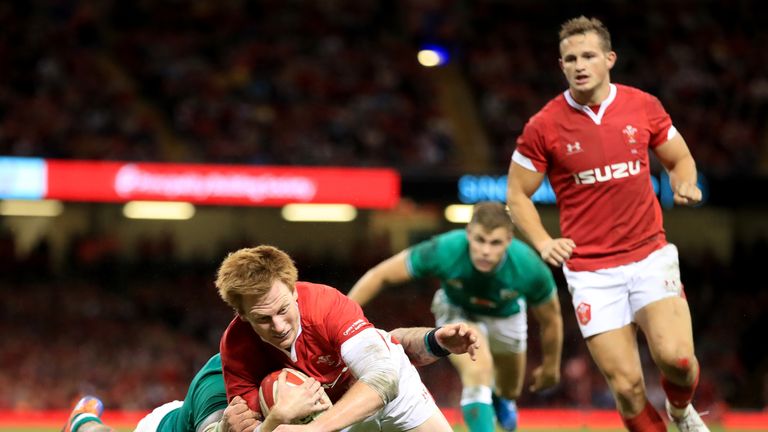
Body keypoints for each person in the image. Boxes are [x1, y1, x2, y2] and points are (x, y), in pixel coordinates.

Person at [505, 15, 707, 432]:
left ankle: (682, 412)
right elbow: (516, 195)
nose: (579, 64)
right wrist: (543, 242)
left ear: (609, 59)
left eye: (588, 56)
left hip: (649, 255)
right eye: (570, 58)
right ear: (560, 66)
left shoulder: (642, 105)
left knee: (680, 363)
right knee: (628, 387)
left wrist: (683, 181)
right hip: (592, 273)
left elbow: (679, 159)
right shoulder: (543, 126)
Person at [347, 201, 563, 432]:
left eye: (495, 243)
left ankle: (501, 398)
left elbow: (551, 319)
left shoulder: (529, 266)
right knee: (478, 371)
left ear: (509, 241)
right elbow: (380, 275)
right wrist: (345, 320)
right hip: (458, 311)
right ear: (468, 233)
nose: (486, 251)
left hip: (507, 316)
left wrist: (551, 366)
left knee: (510, 388)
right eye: (480, 240)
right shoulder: (444, 249)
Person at [215, 245, 469, 432]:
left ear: (293, 291)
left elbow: (383, 378)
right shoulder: (236, 347)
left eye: (283, 310)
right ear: (243, 314)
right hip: (329, 421)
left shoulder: (326, 304)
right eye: (263, 318)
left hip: (393, 398)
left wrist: (316, 430)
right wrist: (275, 419)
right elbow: (250, 428)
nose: (279, 326)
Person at [61, 324, 480, 432]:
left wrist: (435, 340)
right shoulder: (217, 386)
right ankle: (83, 418)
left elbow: (388, 342)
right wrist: (276, 420)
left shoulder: (316, 350)